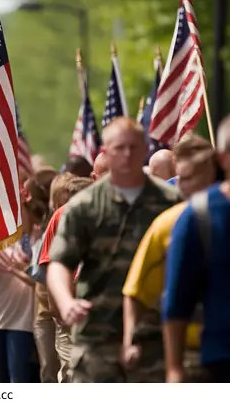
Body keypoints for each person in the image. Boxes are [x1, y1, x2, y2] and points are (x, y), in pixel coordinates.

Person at [47, 117, 180, 383]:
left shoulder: (171, 203)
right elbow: (59, 264)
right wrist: (66, 301)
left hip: (152, 337)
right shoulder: (83, 207)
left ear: (145, 150)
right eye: (119, 147)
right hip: (97, 337)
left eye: (134, 147)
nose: (127, 154)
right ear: (106, 151)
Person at [163, 111, 230, 383]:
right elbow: (177, 301)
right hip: (224, 363)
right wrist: (174, 369)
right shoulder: (198, 216)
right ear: (223, 158)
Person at [122, 134, 217, 382]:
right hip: (187, 354)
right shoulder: (166, 225)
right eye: (181, 179)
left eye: (192, 178)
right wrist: (129, 339)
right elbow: (136, 291)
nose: (184, 187)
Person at [0, 173, 51, 383]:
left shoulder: (39, 238)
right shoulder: (0, 237)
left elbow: (40, 281)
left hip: (23, 323)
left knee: (18, 381)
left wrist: (16, 270)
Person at [33, 174, 93, 383]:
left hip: (99, 319)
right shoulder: (60, 217)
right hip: (68, 316)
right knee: (70, 374)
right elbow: (50, 267)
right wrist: (57, 311)